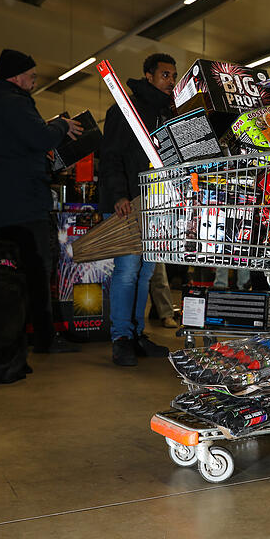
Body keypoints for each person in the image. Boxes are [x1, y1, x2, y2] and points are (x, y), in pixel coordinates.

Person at [0, 49, 83, 354]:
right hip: (23, 202)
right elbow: (40, 138)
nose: (34, 82)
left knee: (2, 273)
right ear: (17, 76)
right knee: (35, 270)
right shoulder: (12, 102)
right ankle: (45, 338)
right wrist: (61, 125)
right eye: (32, 76)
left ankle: (6, 337)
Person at [99, 53, 178, 365]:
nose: (171, 81)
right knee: (128, 271)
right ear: (148, 76)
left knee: (145, 273)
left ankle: (135, 333)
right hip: (127, 205)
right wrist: (119, 195)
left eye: (173, 76)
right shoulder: (125, 110)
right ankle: (120, 337)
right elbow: (110, 157)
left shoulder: (169, 113)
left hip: (157, 205)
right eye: (165, 75)